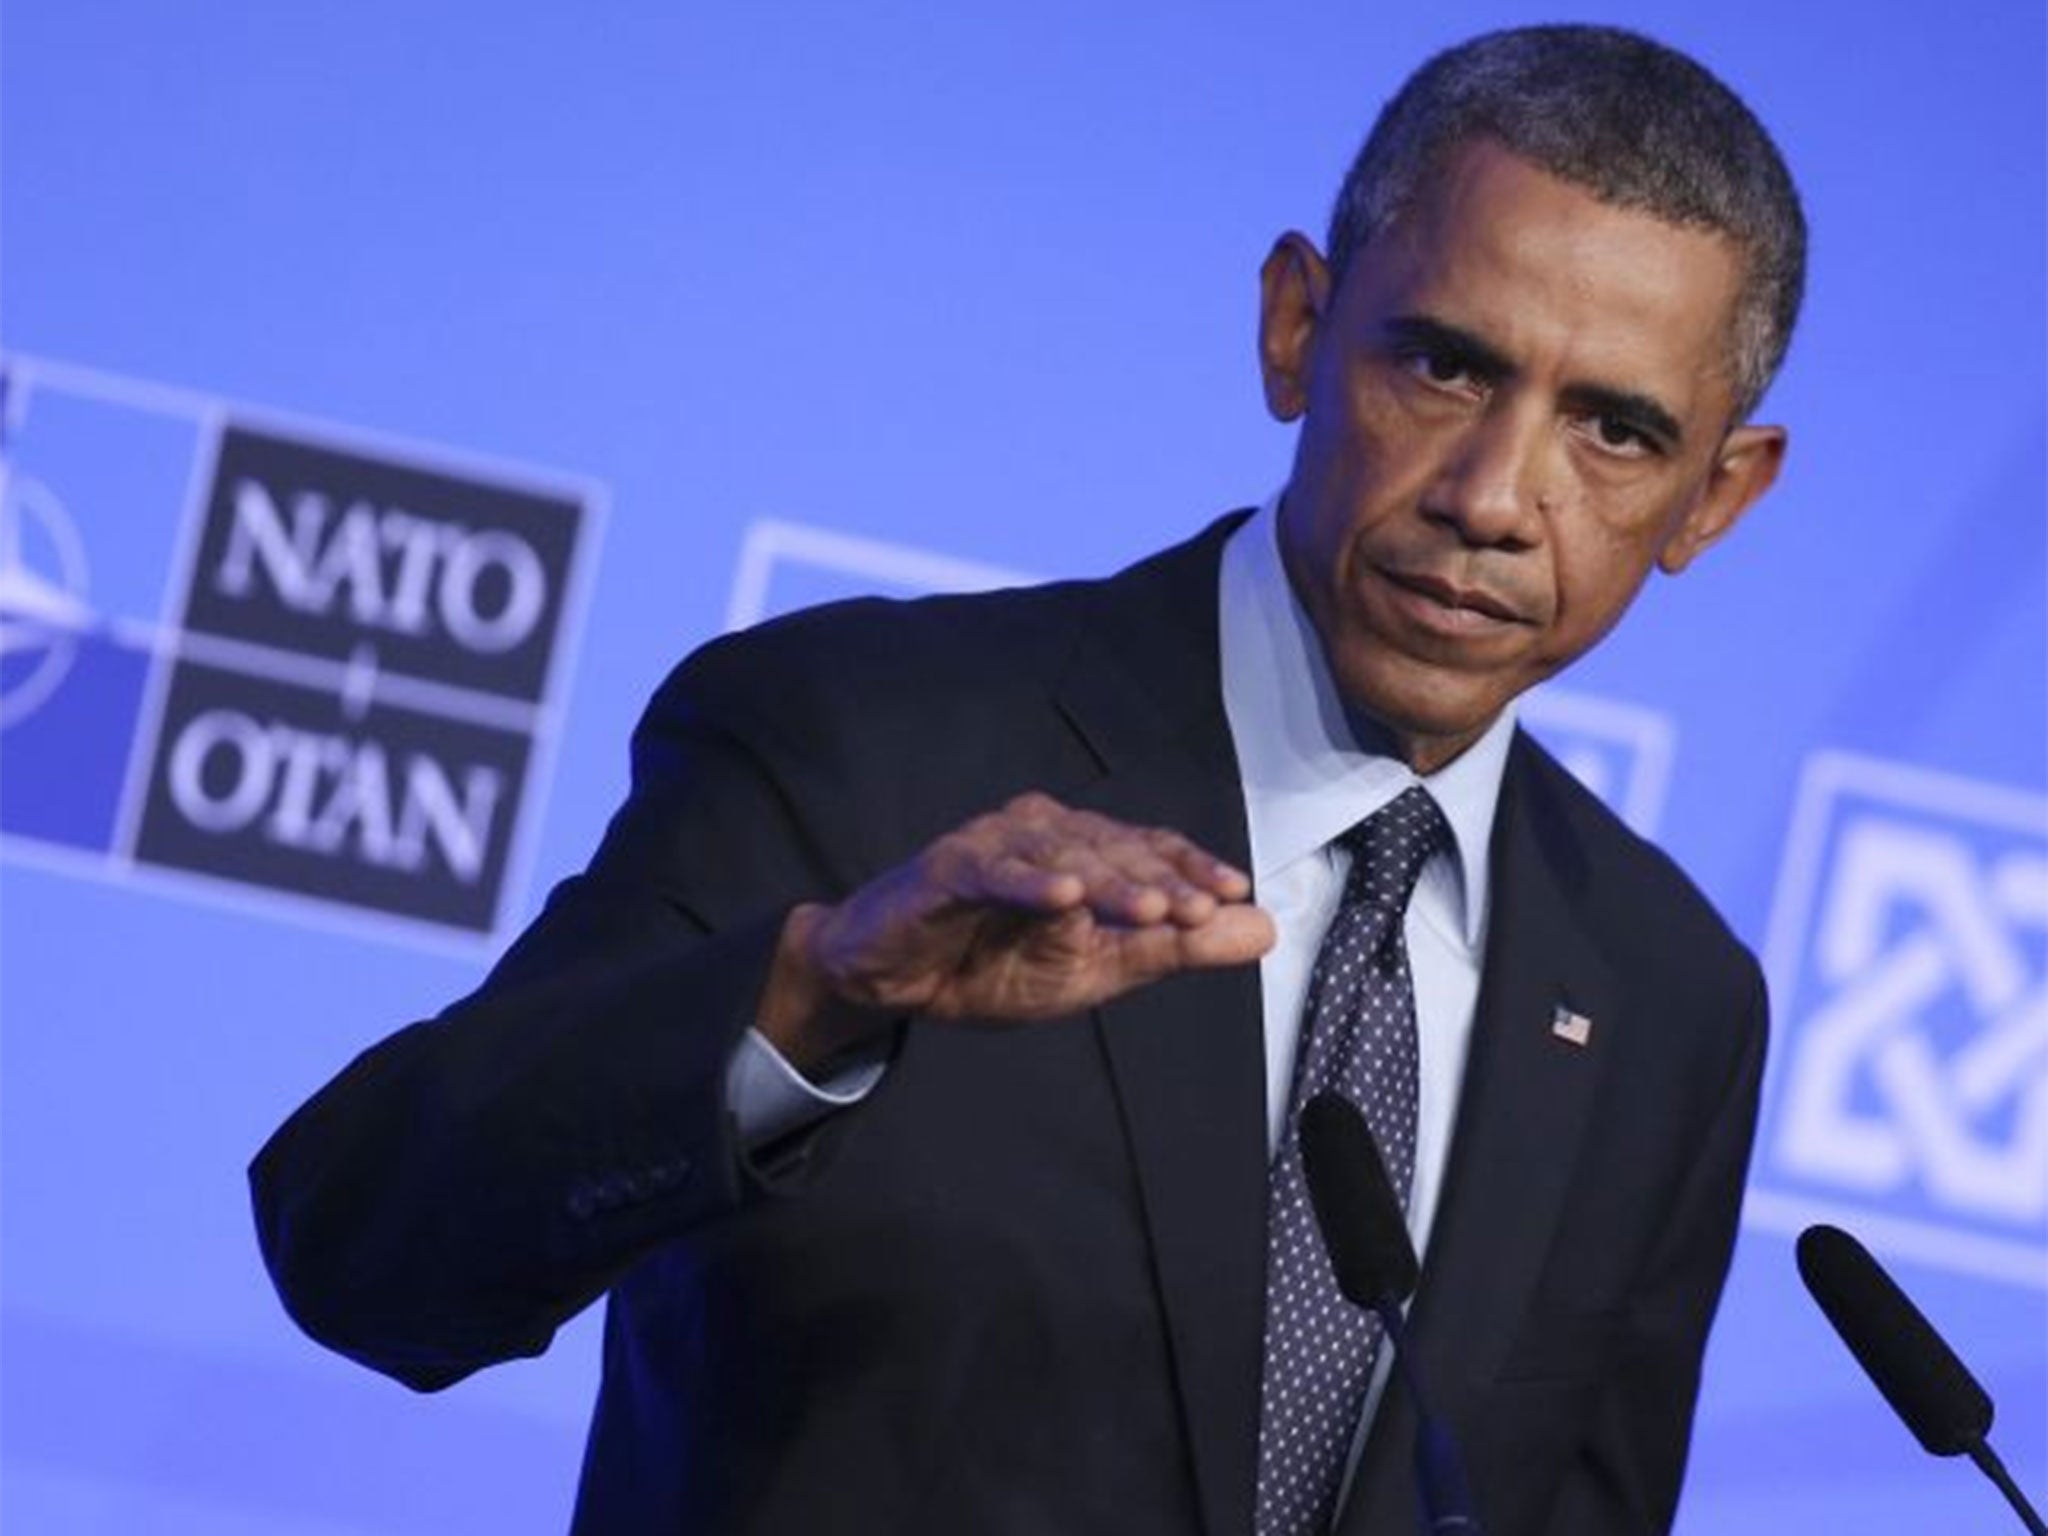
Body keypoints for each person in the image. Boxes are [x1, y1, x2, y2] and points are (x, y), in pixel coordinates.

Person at [252, 23, 1805, 1536]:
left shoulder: (1669, 1000)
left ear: (1718, 497)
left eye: (1613, 429)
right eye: (1446, 366)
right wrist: (809, 1002)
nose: (1493, 498)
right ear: (1295, 327)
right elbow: (365, 1249)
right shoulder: (863, 746)